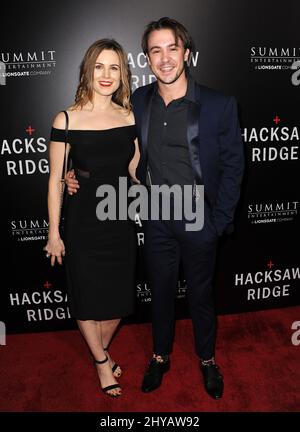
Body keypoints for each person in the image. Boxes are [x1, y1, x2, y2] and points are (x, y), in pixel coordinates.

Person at [66, 17, 244, 400]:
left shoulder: (218, 104)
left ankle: (207, 360)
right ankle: (160, 356)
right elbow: (105, 146)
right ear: (147, 58)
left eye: (172, 48)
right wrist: (73, 175)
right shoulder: (138, 103)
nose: (164, 58)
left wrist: (218, 222)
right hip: (156, 216)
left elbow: (233, 167)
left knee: (201, 295)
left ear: (187, 52)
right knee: (160, 293)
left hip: (201, 219)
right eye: (155, 50)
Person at [44, 39, 139, 398]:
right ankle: (102, 362)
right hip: (83, 222)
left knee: (118, 302)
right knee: (85, 297)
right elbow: (56, 179)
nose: (106, 74)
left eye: (114, 67)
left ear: (122, 74)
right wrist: (54, 232)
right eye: (99, 66)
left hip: (119, 217)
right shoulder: (66, 118)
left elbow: (134, 169)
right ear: (88, 70)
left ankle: (99, 350)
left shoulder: (128, 115)